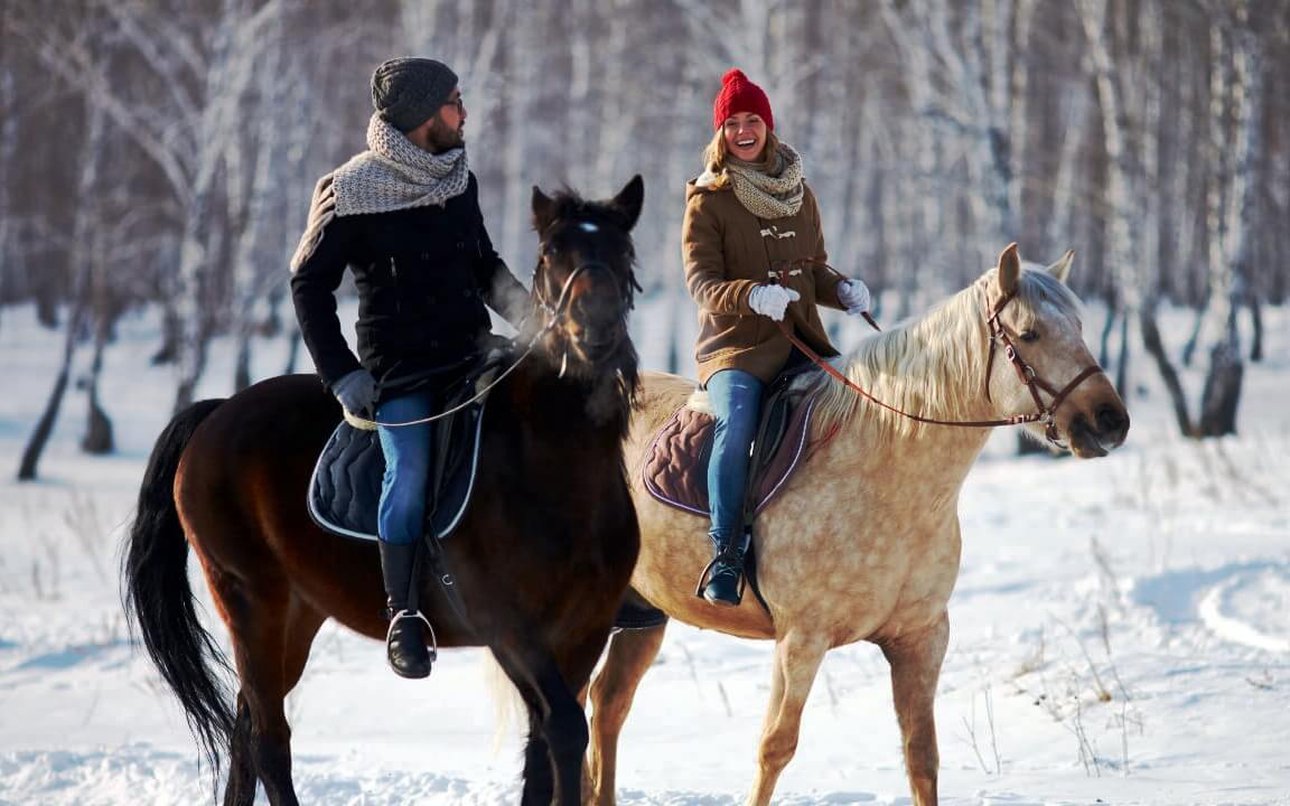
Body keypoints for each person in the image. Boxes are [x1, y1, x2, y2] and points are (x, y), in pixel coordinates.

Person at [290, 57, 527, 677]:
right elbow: (309, 285)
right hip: (400, 374)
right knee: (410, 474)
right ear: (423, 115)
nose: (464, 111)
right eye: (454, 101)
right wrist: (341, 374)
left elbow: (484, 266)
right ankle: (405, 615)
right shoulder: (347, 191)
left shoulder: (456, 176)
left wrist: (536, 321)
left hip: (473, 355)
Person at [683, 68, 872, 607]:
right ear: (720, 132)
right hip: (736, 349)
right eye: (733, 123)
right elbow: (701, 283)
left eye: (753, 121)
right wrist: (750, 296)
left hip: (801, 343)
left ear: (768, 125)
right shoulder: (708, 199)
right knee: (737, 423)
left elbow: (814, 269)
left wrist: (845, 290)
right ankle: (725, 551)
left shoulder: (798, 191)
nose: (744, 131)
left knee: (856, 414)